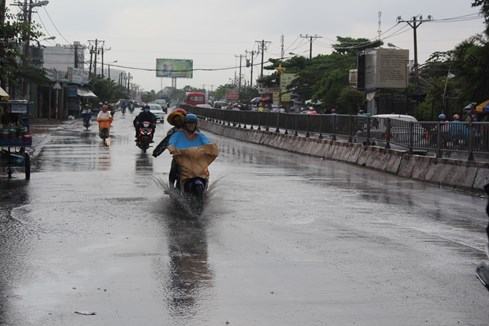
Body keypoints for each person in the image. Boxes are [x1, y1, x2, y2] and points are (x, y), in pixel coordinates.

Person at [166, 114, 210, 188]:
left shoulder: (199, 135)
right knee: (174, 168)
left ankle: (205, 185)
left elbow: (207, 142)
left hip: (195, 158)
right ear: (185, 124)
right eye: (189, 123)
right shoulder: (178, 134)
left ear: (196, 124)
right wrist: (172, 148)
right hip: (181, 157)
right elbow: (171, 142)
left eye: (193, 123)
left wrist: (210, 149)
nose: (191, 125)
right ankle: (171, 187)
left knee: (205, 170)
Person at [153, 108, 187, 187]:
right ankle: (171, 187)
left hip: (191, 155)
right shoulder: (172, 131)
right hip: (178, 155)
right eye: (176, 120)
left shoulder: (191, 129)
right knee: (174, 170)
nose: (178, 121)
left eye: (180, 119)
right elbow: (166, 142)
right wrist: (157, 152)